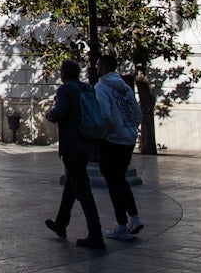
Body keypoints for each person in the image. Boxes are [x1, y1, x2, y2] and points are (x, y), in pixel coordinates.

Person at [44, 59, 104, 249]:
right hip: (87, 143)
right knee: (71, 185)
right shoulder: (87, 88)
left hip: (73, 144)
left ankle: (96, 234)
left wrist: (51, 114)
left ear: (64, 73)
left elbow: (61, 112)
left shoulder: (65, 90)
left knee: (83, 190)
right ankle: (61, 223)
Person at [94, 55, 144, 240]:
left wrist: (103, 134)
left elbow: (106, 115)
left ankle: (122, 225)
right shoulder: (125, 87)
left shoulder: (101, 86)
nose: (97, 68)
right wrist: (131, 129)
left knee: (113, 184)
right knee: (120, 180)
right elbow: (136, 112)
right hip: (128, 139)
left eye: (99, 65)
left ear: (105, 67)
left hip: (113, 140)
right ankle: (134, 217)